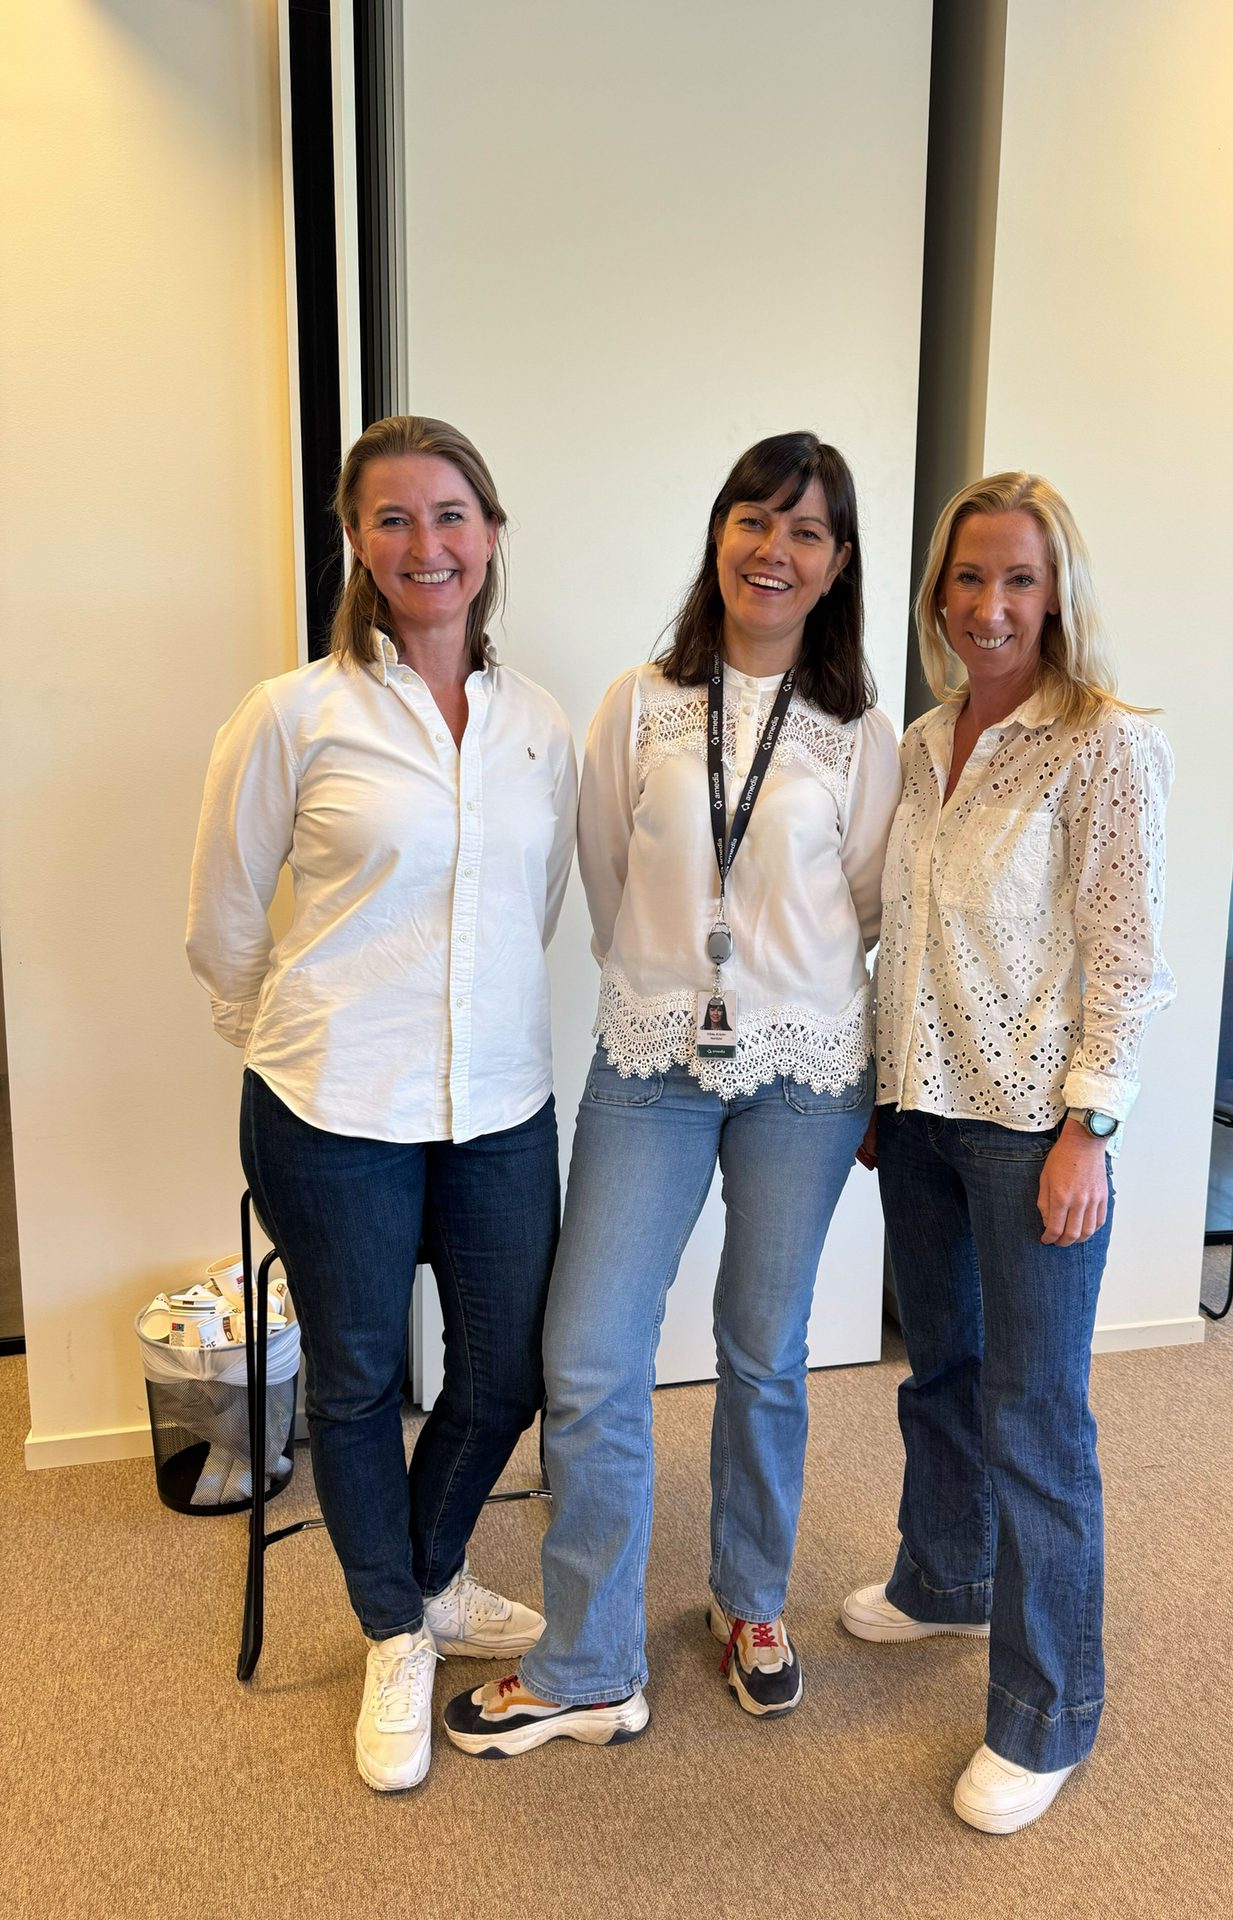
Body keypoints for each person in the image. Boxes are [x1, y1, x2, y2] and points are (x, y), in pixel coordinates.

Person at [442, 430, 901, 1757]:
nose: (777, 547)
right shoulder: (639, 704)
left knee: (765, 1350)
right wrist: (679, 968)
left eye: (808, 531)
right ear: (720, 535)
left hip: (806, 1078)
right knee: (587, 1355)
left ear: (837, 566)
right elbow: (598, 870)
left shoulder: (857, 736)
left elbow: (865, 910)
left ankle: (751, 1600)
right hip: (650, 1064)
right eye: (757, 517)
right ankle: (589, 1660)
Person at [186, 415, 577, 1792]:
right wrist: (299, 1036)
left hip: (500, 1109)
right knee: (353, 1382)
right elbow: (228, 921)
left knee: (505, 1371)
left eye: (454, 513)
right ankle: (395, 1633)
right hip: (332, 1106)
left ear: (491, 533)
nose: (430, 544)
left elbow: (530, 913)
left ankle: (424, 1570)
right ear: (357, 539)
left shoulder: (538, 725)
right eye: (396, 518)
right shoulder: (295, 713)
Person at [843, 473, 1174, 1834]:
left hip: (1035, 1124)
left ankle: (1047, 1716)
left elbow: (1127, 950)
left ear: (1059, 594)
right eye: (968, 579)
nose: (990, 605)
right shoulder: (921, 743)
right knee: (944, 1376)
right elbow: (901, 935)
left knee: (1036, 1419)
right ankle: (944, 1577)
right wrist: (880, 1085)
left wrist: (1089, 1128)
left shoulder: (1104, 742)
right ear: (937, 595)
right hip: (922, 1112)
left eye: (1019, 581)